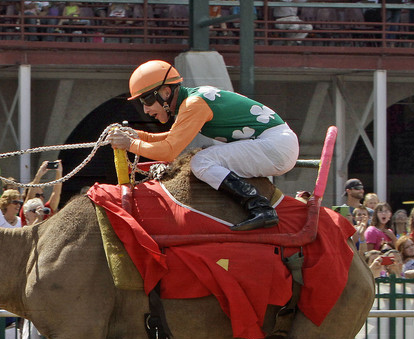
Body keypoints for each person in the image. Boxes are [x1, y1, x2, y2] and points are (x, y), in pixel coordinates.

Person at [109, 60, 297, 231]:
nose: (145, 109)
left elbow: (168, 152)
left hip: (276, 145)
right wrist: (138, 136)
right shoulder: (191, 102)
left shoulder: (194, 104)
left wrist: (130, 144)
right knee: (204, 158)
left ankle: (261, 208)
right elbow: (173, 138)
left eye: (147, 100)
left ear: (166, 92)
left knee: (201, 161)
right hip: (275, 143)